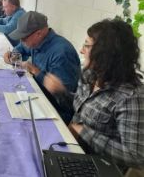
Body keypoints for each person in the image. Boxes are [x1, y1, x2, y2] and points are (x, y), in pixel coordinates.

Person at [44, 19, 144, 170]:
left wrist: (84, 132)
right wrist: (60, 92)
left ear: (106, 54)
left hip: (97, 166)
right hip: (71, 148)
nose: (81, 50)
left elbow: (136, 157)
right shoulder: (90, 75)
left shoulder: (131, 96)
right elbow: (82, 107)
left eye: (87, 45)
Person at [4, 11, 80, 124]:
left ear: (39, 33)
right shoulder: (36, 41)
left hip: (54, 112)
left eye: (23, 38)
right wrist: (12, 55)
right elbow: (21, 48)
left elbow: (65, 100)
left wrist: (34, 70)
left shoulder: (62, 53)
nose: (22, 41)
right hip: (37, 95)